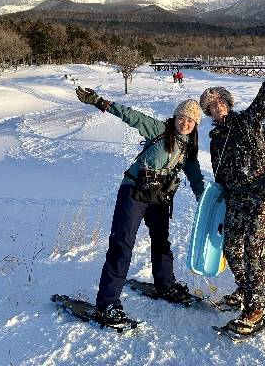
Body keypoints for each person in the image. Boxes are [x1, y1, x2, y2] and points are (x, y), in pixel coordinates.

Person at [75, 87, 206, 324]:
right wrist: (100, 102)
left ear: (195, 124)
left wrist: (205, 203)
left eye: (190, 120)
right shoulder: (157, 129)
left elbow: (196, 179)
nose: (185, 123)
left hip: (159, 198)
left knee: (161, 242)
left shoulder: (189, 150)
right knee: (122, 244)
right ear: (175, 117)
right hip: (134, 191)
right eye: (182, 117)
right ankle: (107, 303)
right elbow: (130, 115)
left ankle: (165, 285)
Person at [199, 41, 265, 335]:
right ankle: (247, 289)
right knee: (232, 249)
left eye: (220, 102)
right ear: (209, 112)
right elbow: (220, 174)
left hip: (259, 194)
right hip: (235, 198)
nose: (217, 107)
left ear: (228, 103)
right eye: (211, 105)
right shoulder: (216, 138)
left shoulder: (248, 121)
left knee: (254, 251)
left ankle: (255, 308)